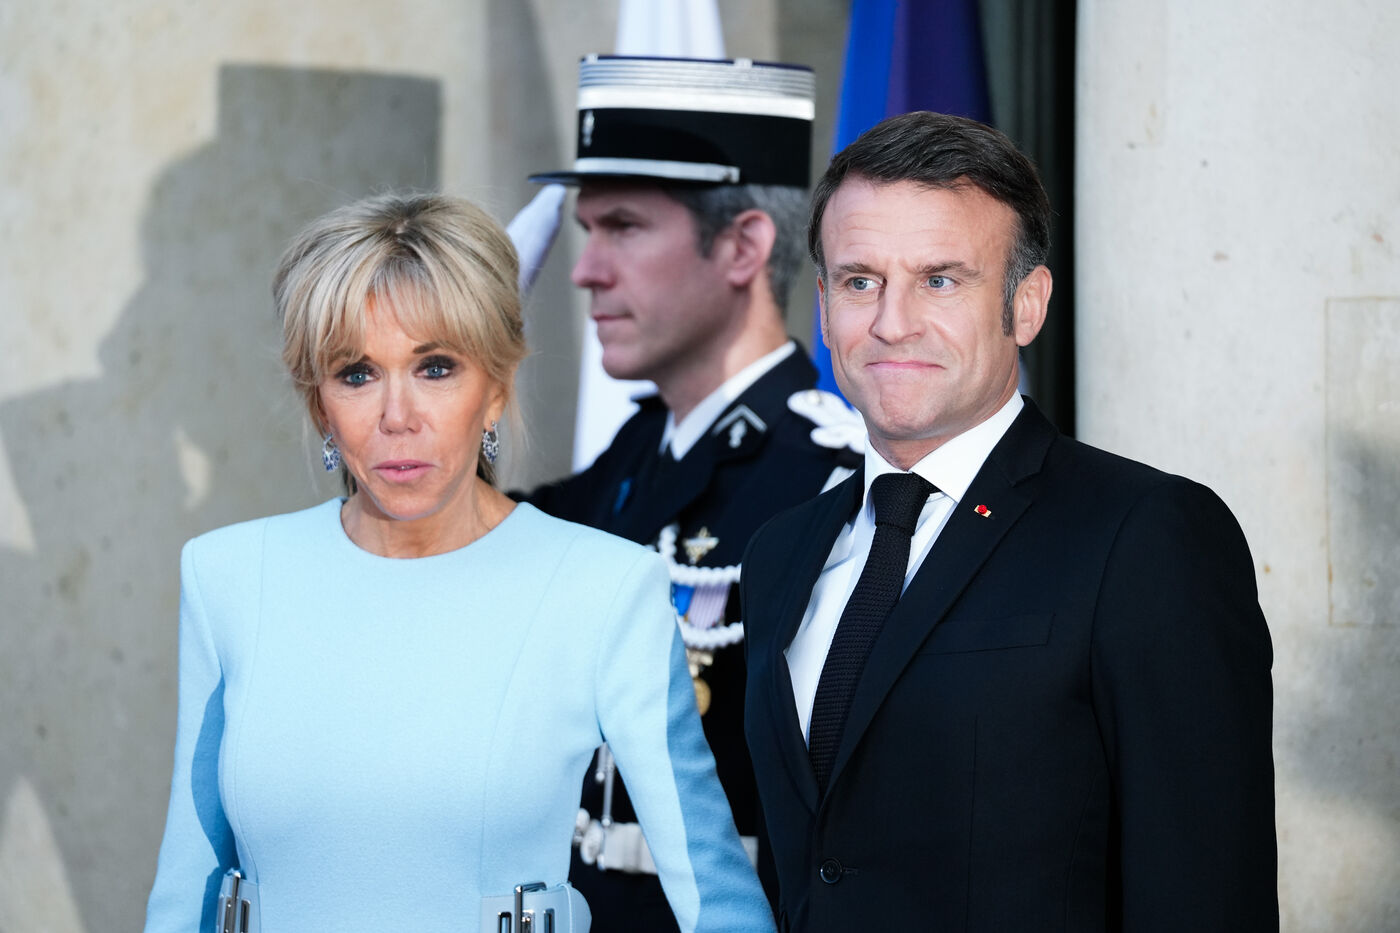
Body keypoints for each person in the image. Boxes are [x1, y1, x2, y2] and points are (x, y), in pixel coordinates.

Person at [143, 192, 774, 933]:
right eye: (356, 373)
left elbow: (719, 904)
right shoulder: (226, 576)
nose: (398, 416)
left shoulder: (604, 588)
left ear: (496, 388)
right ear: (319, 404)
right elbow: (185, 890)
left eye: (436, 367)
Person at [740, 111, 1278, 932]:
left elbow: (1204, 896)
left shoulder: (1145, 536)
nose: (891, 322)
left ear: (1026, 306)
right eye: (860, 281)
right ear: (822, 305)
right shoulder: (781, 553)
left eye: (940, 280)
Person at [522, 56, 859, 930]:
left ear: (743, 246)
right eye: (585, 229)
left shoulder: (828, 478)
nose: (584, 270)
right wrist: (456, 342)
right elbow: (451, 547)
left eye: (624, 227)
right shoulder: (639, 450)